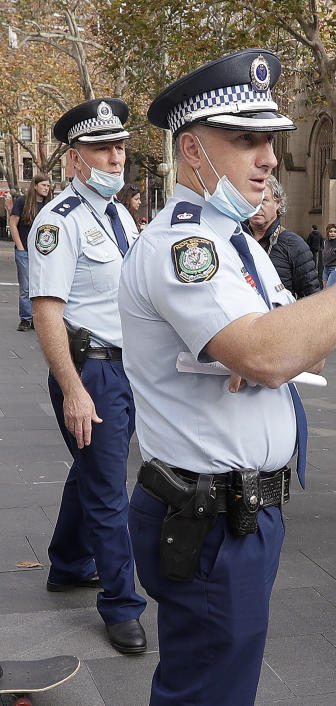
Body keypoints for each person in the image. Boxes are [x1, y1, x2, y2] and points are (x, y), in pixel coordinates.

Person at [119, 48, 336, 705]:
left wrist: (270, 349)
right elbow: (274, 354)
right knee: (207, 692)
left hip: (243, 510)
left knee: (220, 682)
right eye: (246, 139)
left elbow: (306, 351)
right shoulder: (189, 248)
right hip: (208, 513)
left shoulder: (240, 244)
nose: (268, 156)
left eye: (271, 139)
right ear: (192, 151)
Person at [28, 98, 147, 655]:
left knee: (90, 471)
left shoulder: (119, 214)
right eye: (102, 148)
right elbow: (48, 310)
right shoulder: (58, 221)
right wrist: (73, 388)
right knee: (106, 490)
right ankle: (123, 605)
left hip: (125, 369)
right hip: (90, 371)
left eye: (120, 146)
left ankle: (67, 564)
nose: (116, 156)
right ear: (75, 159)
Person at [243, 175, 320, 298]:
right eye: (253, 199)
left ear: (278, 203)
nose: (257, 205)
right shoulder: (235, 237)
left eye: (264, 200)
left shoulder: (295, 245)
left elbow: (311, 298)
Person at [10, 173, 52, 331]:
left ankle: (37, 319)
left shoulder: (48, 205)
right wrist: (20, 247)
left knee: (41, 287)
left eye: (48, 186)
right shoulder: (22, 201)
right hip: (24, 251)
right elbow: (13, 224)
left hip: (42, 253)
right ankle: (26, 319)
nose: (46, 188)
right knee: (26, 287)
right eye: (44, 185)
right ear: (35, 186)